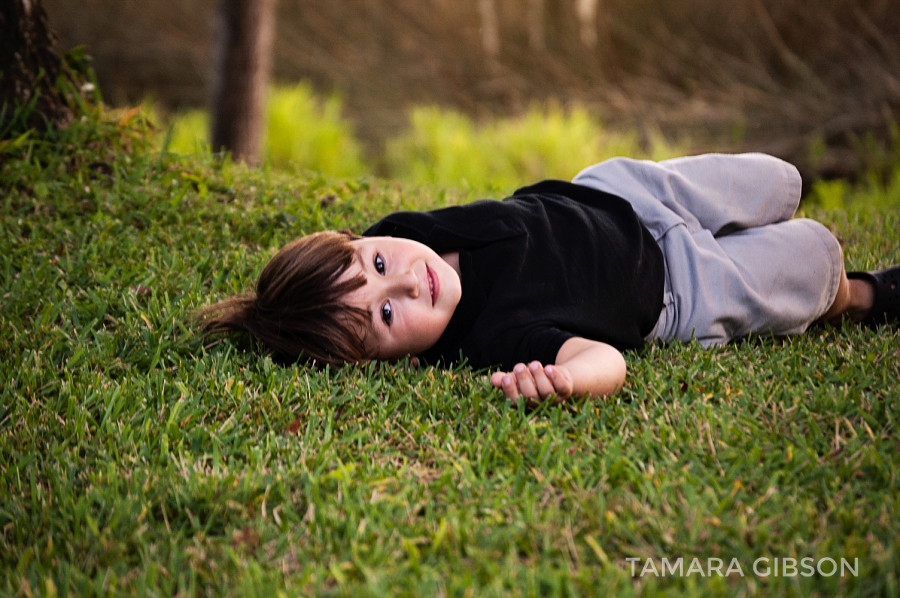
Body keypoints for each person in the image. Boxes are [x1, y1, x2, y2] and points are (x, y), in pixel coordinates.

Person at [199, 153, 899, 404]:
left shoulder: (406, 230)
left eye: (378, 265)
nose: (409, 283)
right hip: (679, 290)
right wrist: (565, 381)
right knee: (815, 260)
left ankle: (794, 228)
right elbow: (607, 362)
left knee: (782, 180)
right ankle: (863, 297)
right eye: (386, 316)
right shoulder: (492, 340)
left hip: (624, 193)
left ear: (365, 238)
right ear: (399, 358)